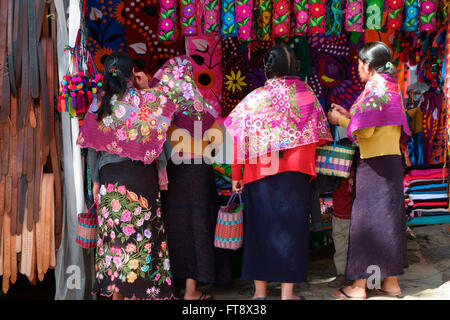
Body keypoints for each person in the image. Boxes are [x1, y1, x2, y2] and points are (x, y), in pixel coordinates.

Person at [225, 44, 332, 300]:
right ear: (294, 67)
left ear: (267, 69)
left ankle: (259, 293)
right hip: (294, 176)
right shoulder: (306, 95)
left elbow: (237, 139)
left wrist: (236, 175)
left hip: (258, 175)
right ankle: (287, 295)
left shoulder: (254, 99)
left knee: (258, 231)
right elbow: (319, 136)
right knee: (292, 232)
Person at [78, 52, 179, 300]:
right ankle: (144, 292)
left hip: (110, 181)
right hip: (141, 178)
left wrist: (95, 182)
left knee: (116, 243)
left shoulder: (98, 103)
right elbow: (163, 134)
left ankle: (117, 296)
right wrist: (147, 87)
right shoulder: (145, 100)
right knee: (144, 241)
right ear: (131, 75)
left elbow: (92, 148)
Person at [327, 41, 411, 300]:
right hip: (392, 163)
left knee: (365, 225)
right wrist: (349, 112)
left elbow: (365, 131)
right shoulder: (390, 86)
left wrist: (339, 119)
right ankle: (391, 283)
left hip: (374, 164)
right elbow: (374, 121)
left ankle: (359, 287)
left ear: (369, 66)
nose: (357, 69)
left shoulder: (374, 90)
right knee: (388, 222)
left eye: (360, 64)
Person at [150, 56, 232, 300]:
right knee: (198, 227)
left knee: (174, 229)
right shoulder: (204, 108)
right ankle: (191, 290)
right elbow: (220, 143)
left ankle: (170, 288)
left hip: (172, 177)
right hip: (199, 174)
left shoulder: (163, 109)